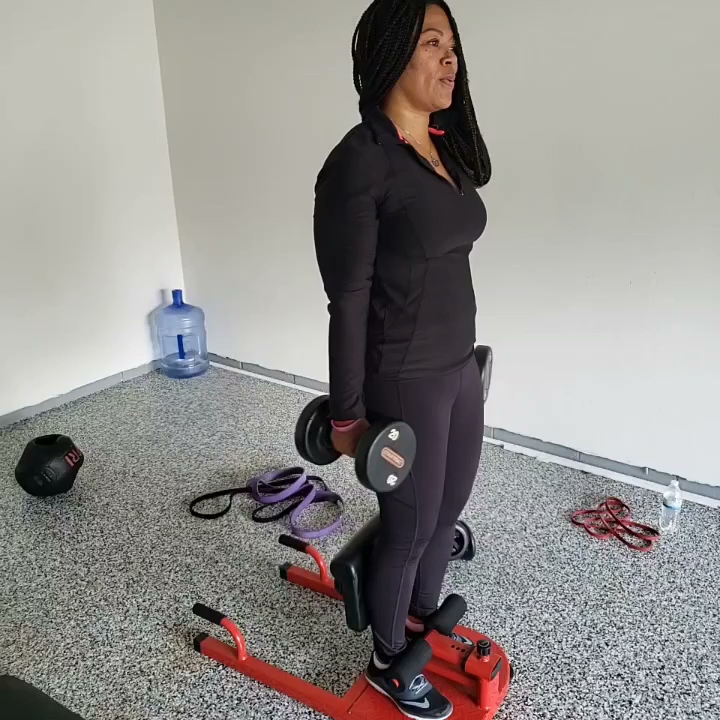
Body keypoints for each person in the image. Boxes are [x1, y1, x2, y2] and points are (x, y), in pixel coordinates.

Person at [313, 1, 491, 717]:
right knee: (410, 526)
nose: (451, 58)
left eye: (453, 44)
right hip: (403, 375)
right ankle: (390, 657)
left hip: (457, 367)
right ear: (391, 55)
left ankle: (419, 614)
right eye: (431, 42)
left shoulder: (443, 148)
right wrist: (346, 414)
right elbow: (347, 298)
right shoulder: (360, 162)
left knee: (448, 509)